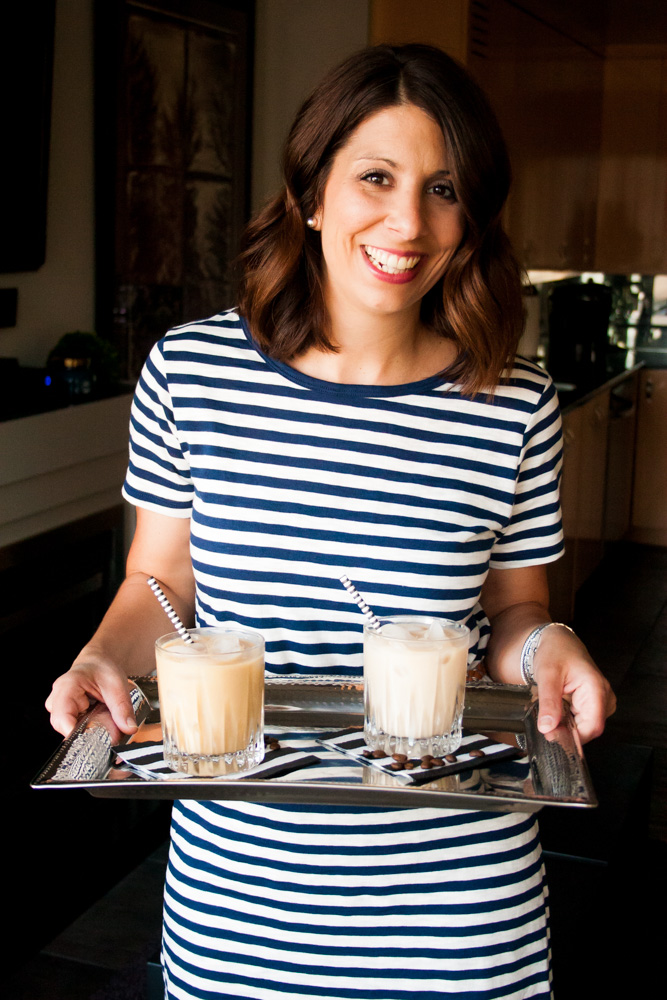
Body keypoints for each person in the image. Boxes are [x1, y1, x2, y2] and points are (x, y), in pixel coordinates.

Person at [47, 44, 615, 1000]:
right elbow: (161, 584)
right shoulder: (192, 373)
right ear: (312, 192)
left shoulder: (513, 401)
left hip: (462, 904)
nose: (408, 221)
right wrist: (106, 653)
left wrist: (552, 646)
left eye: (444, 187)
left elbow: (516, 613)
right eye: (376, 178)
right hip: (243, 898)